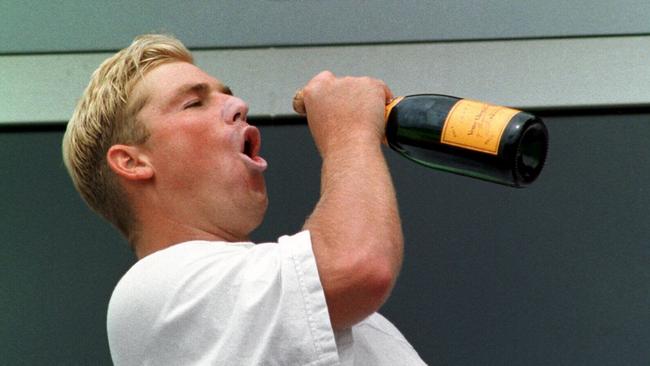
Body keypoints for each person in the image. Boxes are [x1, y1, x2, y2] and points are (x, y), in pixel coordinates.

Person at [62, 34, 426, 365]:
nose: (238, 104)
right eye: (193, 103)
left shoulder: (257, 295)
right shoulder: (154, 288)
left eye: (226, 92)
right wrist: (350, 129)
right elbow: (359, 266)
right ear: (133, 161)